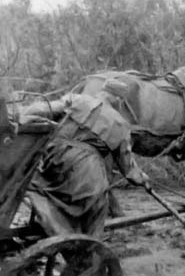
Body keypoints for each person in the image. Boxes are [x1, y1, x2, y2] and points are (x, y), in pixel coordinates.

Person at [27, 91, 150, 239]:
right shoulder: (120, 124)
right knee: (98, 200)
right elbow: (129, 169)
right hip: (82, 163)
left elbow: (43, 109)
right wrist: (143, 179)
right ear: (119, 102)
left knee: (53, 188)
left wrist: (23, 116)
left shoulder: (79, 99)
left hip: (52, 154)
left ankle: (54, 223)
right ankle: (89, 241)